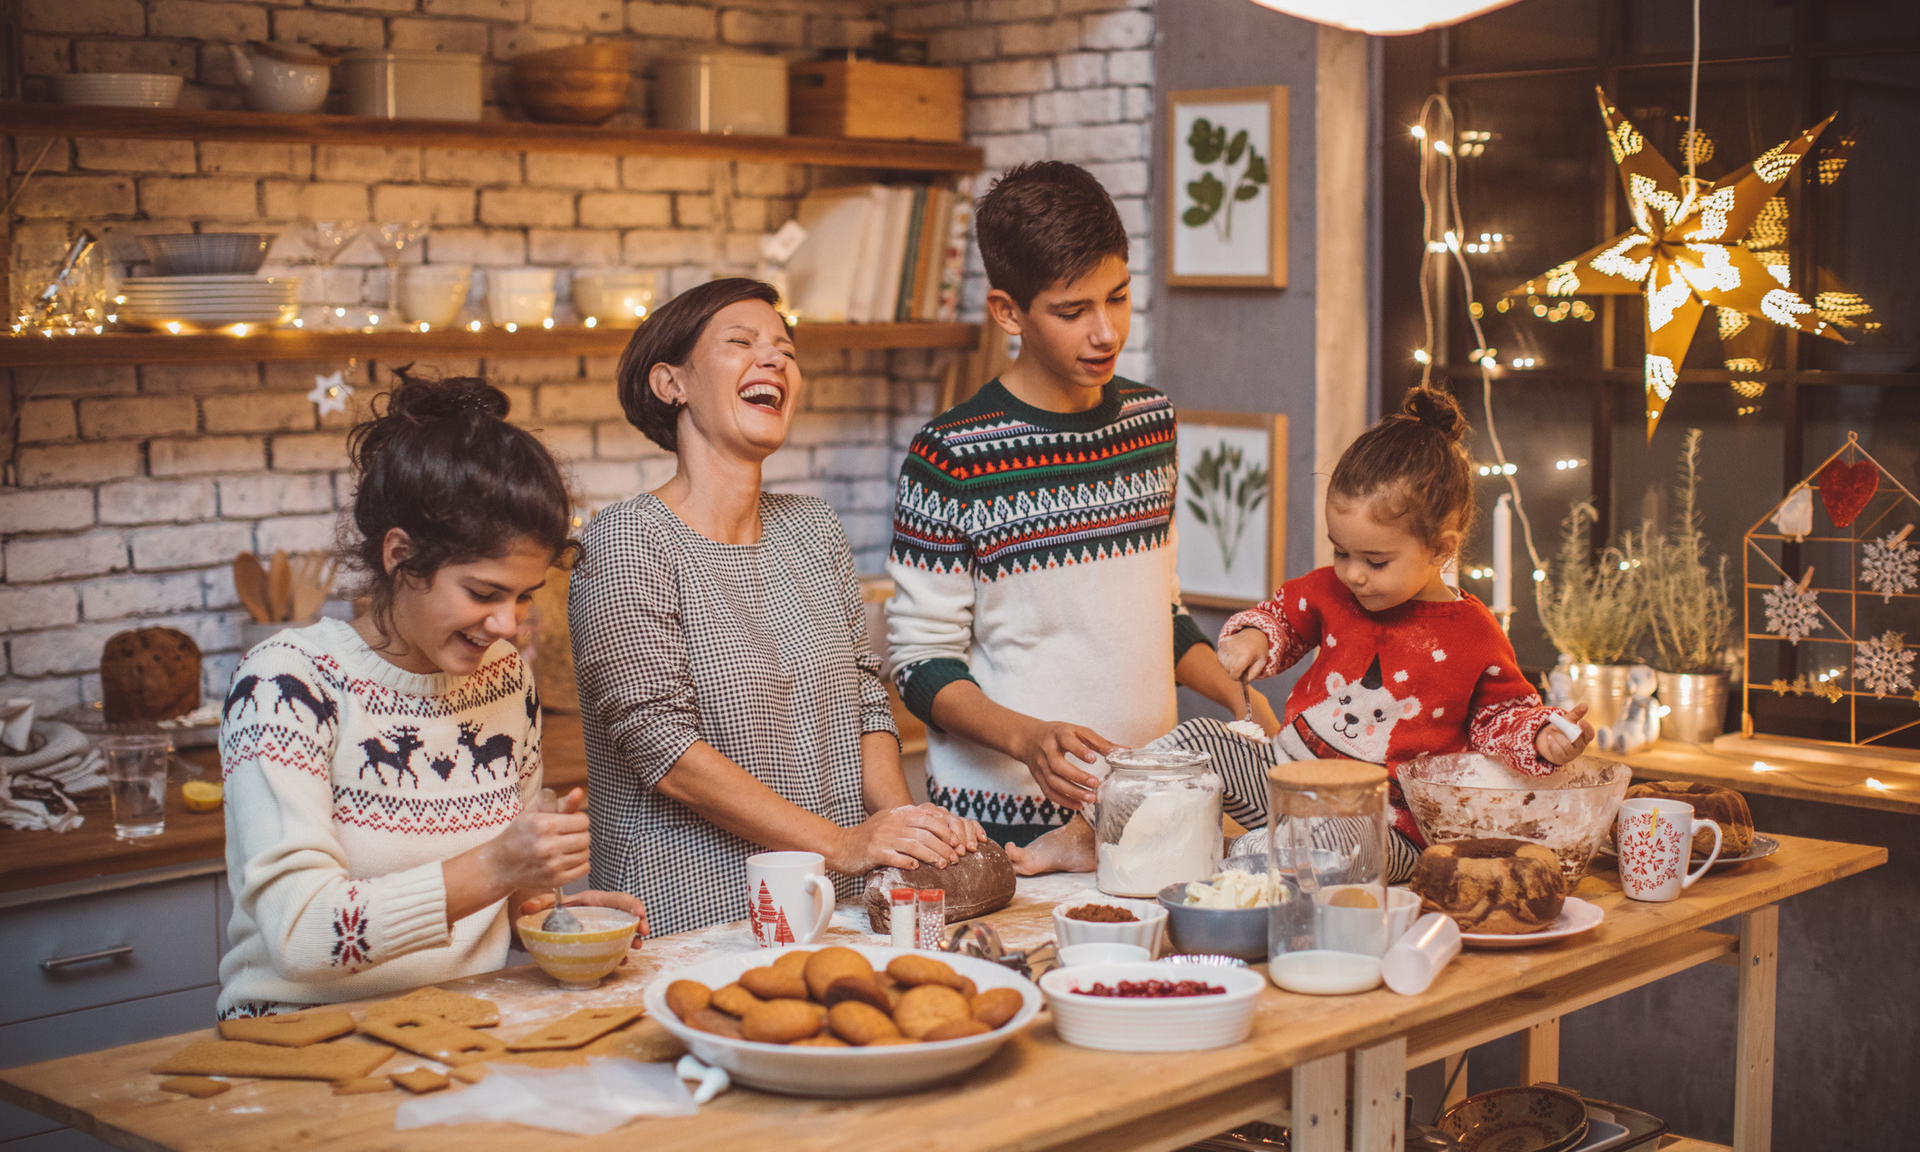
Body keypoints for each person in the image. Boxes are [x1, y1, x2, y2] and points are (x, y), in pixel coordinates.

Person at [886, 161, 1278, 874]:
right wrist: (1029, 739)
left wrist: (1236, 693)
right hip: (1000, 825)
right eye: (1073, 312)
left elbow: (1160, 611)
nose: (1106, 332)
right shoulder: (949, 456)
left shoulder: (1149, 420)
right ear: (1009, 312)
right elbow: (920, 666)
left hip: (1147, 808)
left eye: (1119, 298)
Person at [216, 374, 644, 1020]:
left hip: (457, 1025)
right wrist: (498, 867)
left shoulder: (503, 676)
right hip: (295, 1040)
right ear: (400, 556)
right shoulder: (284, 685)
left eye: (523, 595)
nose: (508, 625)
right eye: (482, 593)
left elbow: (498, 898)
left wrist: (553, 917)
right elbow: (300, 936)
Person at [572, 277, 983, 938]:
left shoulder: (814, 528)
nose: (775, 361)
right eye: (742, 343)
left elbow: (864, 700)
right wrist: (843, 844)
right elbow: (664, 750)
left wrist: (904, 839)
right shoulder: (626, 541)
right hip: (694, 920)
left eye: (785, 350)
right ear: (670, 383)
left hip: (840, 906)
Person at [1217, 387, 1595, 879]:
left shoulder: (1473, 633)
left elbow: (1502, 715)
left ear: (1441, 548)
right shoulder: (1332, 590)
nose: (1352, 574)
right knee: (1200, 742)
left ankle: (1258, 855)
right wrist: (1254, 637)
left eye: (1375, 561)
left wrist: (1543, 735)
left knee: (1337, 839)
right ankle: (1110, 825)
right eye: (1340, 552)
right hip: (1287, 781)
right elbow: (1284, 619)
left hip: (1387, 829)